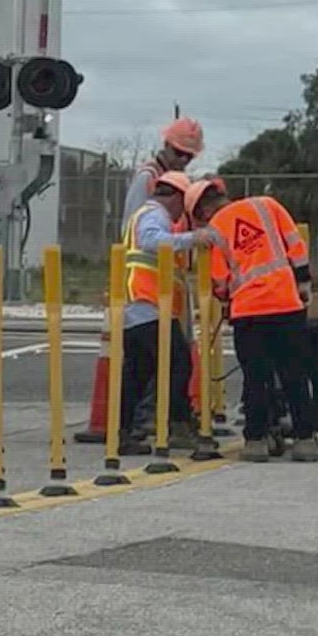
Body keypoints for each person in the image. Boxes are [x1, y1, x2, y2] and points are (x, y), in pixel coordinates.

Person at [185, 178, 318, 463]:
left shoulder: (215, 231)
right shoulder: (267, 205)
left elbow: (220, 281)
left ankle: (256, 441)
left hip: (248, 312)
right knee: (294, 374)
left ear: (201, 212)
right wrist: (303, 281)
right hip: (287, 304)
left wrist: (224, 298)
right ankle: (305, 440)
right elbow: (295, 245)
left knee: (255, 377)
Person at [119, 171, 220, 454]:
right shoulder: (155, 214)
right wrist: (193, 238)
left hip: (140, 304)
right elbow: (152, 241)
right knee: (178, 363)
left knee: (139, 372)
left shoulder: (146, 214)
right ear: (175, 196)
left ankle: (123, 431)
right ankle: (178, 425)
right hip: (149, 303)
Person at [122, 118, 205, 225]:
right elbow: (131, 223)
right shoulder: (148, 176)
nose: (183, 159)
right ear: (166, 145)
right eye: (179, 153)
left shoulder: (181, 180)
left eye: (189, 156)